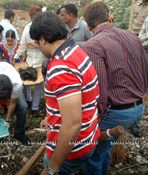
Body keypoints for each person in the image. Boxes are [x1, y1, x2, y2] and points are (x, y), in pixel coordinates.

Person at [80, 1, 148, 175]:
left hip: (114, 113)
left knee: (92, 157)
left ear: (88, 25)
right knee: (104, 151)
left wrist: (95, 119)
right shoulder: (132, 36)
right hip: (136, 109)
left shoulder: (93, 45)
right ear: (109, 16)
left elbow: (99, 91)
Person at [28, 11, 100, 175]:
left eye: (38, 44)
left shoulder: (61, 67)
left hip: (71, 149)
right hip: (88, 136)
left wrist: (53, 166)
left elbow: (73, 124)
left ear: (43, 40)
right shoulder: (76, 51)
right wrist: (53, 117)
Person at [14, 5, 46, 114]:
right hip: (30, 60)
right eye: (32, 17)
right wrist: (16, 56)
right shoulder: (27, 28)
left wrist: (37, 45)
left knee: (38, 85)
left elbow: (49, 44)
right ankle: (28, 100)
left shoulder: (45, 28)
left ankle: (35, 107)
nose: (34, 19)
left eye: (36, 17)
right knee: (26, 81)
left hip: (41, 61)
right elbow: (23, 45)